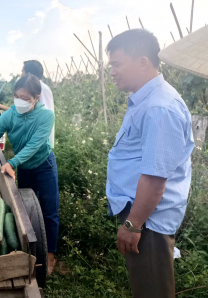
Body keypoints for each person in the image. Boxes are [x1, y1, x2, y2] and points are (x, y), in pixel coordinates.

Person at [106, 29, 194, 298]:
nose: (112, 72)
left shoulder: (159, 108)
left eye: (117, 64)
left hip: (149, 222)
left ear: (143, 62)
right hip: (144, 217)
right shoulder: (146, 101)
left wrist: (133, 225)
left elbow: (155, 180)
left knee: (153, 291)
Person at [0, 74, 59, 275]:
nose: (19, 101)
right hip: (24, 166)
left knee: (49, 211)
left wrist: (12, 162)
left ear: (37, 98)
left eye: (25, 98)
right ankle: (31, 247)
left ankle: (50, 254)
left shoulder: (46, 116)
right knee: (26, 207)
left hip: (44, 164)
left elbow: (34, 145)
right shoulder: (10, 114)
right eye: (17, 96)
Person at [0, 60, 55, 148]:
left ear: (29, 74)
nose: (21, 73)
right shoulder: (34, 88)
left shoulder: (42, 88)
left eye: (22, 71)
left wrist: (1, 107)